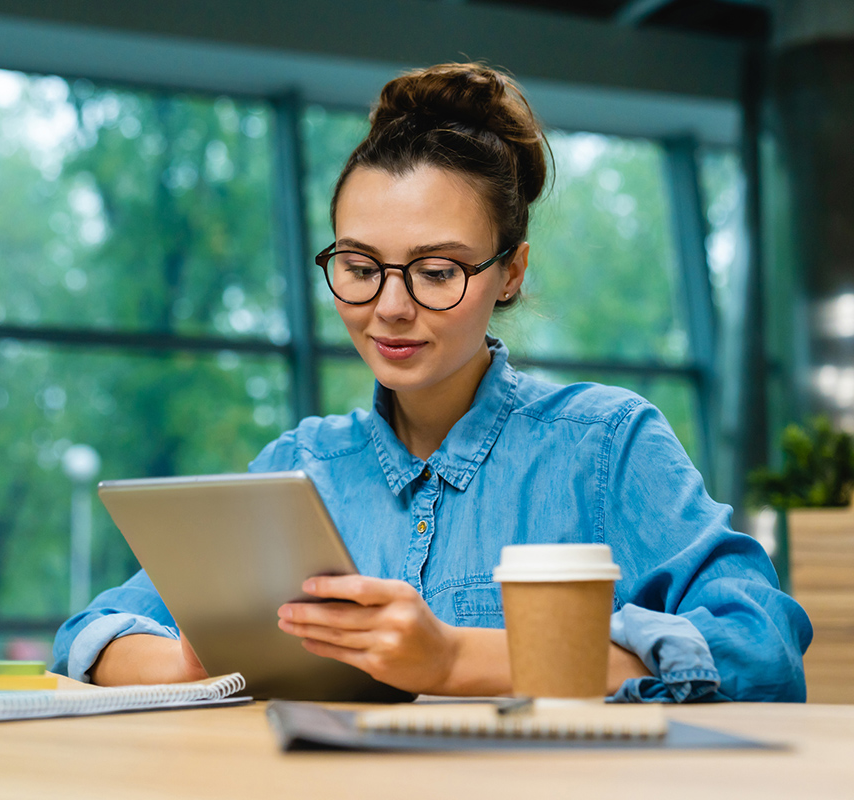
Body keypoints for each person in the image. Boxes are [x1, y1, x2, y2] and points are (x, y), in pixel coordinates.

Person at [53, 62, 811, 701]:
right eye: (359, 268)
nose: (389, 308)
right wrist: (194, 666)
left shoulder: (605, 443)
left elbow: (760, 648)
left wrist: (453, 660)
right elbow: (90, 637)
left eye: (437, 272)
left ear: (509, 271)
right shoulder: (300, 464)